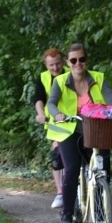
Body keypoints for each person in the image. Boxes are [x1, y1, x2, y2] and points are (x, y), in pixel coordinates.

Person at [47, 42, 112, 223]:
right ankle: (67, 213)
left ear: (86, 60)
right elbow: (51, 104)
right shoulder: (60, 81)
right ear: (68, 62)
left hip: (96, 129)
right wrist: (57, 114)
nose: (78, 63)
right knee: (72, 168)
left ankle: (98, 209)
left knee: (103, 167)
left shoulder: (98, 78)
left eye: (82, 59)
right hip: (68, 130)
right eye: (73, 60)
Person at [33, 47, 69, 209]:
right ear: (46, 65)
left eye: (58, 64)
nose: (55, 68)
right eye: (51, 65)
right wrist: (41, 114)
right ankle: (61, 192)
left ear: (63, 62)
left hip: (73, 118)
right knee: (58, 153)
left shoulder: (72, 72)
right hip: (55, 121)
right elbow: (39, 98)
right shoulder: (43, 78)